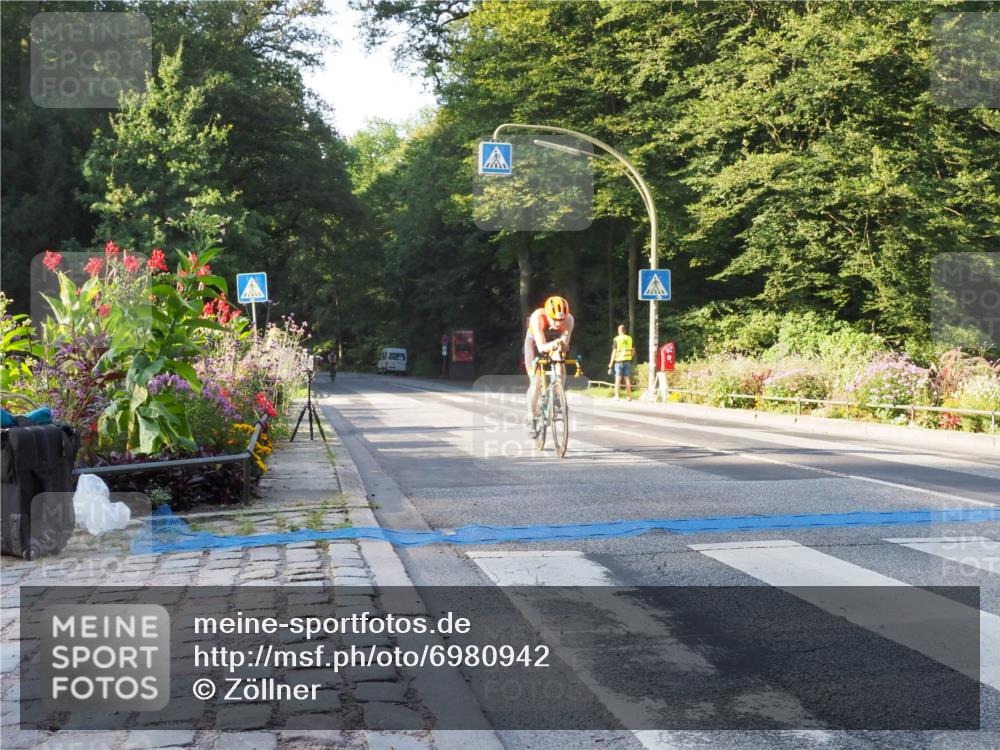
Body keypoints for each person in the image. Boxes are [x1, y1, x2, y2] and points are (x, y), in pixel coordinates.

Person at [524, 296, 575, 436]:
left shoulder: (569, 320)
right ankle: (532, 417)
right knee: (536, 381)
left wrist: (562, 345)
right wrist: (554, 344)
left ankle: (558, 396)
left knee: (560, 362)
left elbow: (564, 344)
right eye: (555, 320)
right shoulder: (537, 317)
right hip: (534, 344)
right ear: (548, 314)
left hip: (553, 343)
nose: (558, 324)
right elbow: (540, 347)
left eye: (561, 320)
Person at [607, 324, 634, 400]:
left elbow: (614, 352)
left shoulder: (617, 339)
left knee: (618, 379)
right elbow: (633, 350)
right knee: (627, 379)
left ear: (619, 331)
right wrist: (630, 356)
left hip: (618, 361)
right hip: (627, 361)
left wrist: (611, 363)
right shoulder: (629, 338)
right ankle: (629, 396)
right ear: (625, 331)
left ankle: (617, 396)